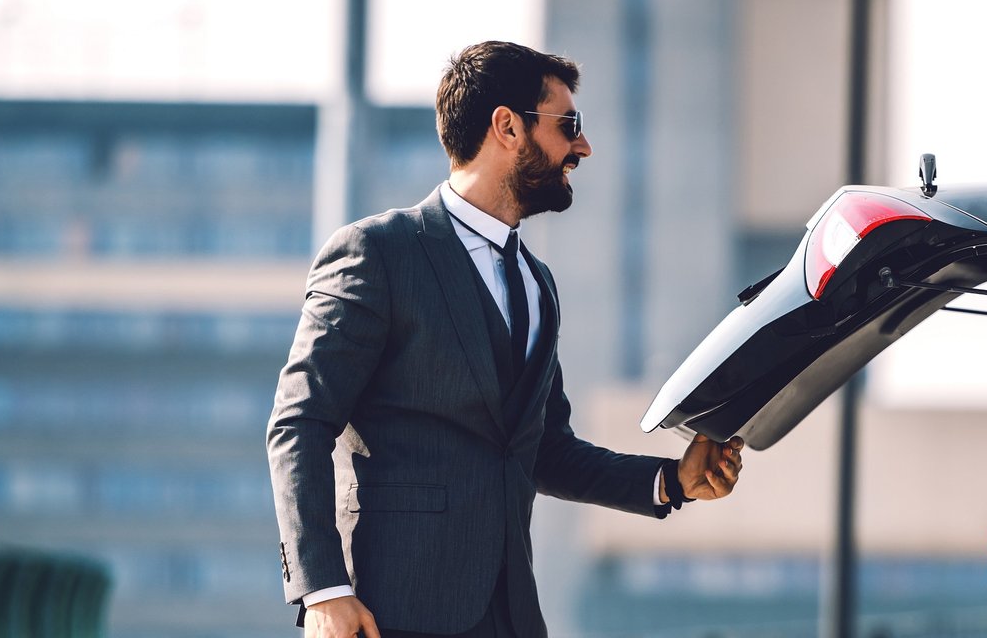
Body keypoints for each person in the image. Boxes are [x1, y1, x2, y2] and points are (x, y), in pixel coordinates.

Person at [267, 40, 743, 638]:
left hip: (511, 614)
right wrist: (322, 590)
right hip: (388, 613)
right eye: (568, 124)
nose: (583, 146)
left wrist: (672, 479)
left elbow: (545, 449)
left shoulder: (537, 285)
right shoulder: (378, 254)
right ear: (507, 127)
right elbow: (300, 422)